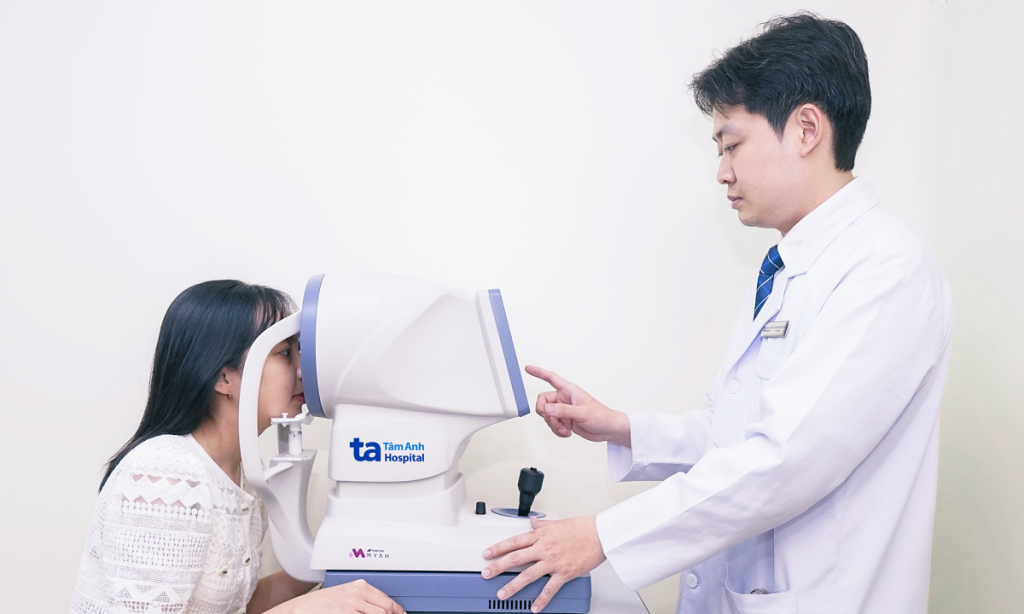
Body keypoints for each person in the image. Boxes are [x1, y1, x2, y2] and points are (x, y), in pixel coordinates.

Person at [481, 13, 953, 614]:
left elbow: (784, 460)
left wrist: (603, 536)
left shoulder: (885, 271)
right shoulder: (787, 268)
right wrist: (621, 426)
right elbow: (735, 434)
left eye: (732, 145)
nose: (723, 172)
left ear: (807, 129)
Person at [70, 280, 405, 614]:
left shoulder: (240, 478)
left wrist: (334, 561)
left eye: (300, 351)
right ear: (223, 378)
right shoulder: (166, 473)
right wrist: (305, 609)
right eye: (285, 353)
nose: (303, 371)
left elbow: (234, 608)